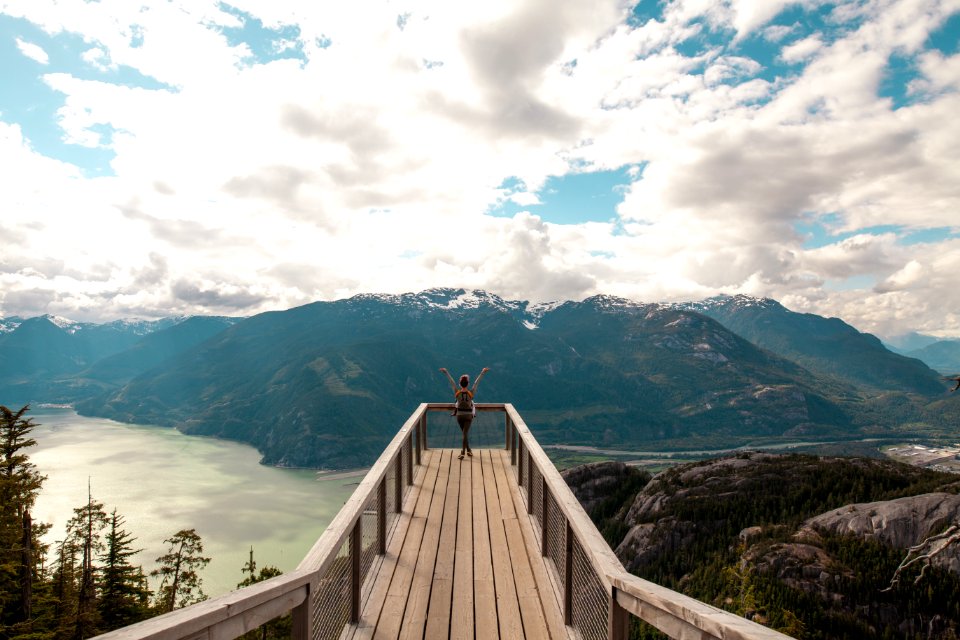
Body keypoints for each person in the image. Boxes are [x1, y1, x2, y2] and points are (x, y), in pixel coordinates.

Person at [439, 367, 490, 460]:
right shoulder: (471, 393)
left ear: (460, 384)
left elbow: (452, 382)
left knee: (464, 434)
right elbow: (476, 383)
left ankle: (467, 450)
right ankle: (464, 452)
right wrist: (482, 372)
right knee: (465, 434)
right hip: (468, 415)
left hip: (459, 415)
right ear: (468, 384)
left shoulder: (457, 393)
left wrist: (446, 372)